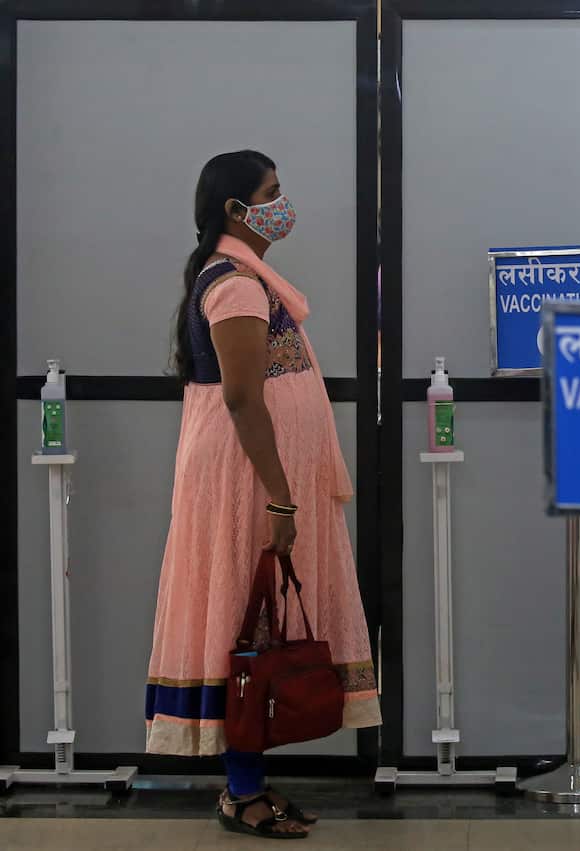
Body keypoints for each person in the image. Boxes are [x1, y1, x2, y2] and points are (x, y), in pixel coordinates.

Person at [145, 151, 380, 839]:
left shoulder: (249, 278)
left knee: (261, 628)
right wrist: (280, 498)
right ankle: (241, 791)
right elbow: (245, 400)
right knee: (245, 630)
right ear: (236, 211)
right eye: (272, 193)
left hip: (259, 477)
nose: (284, 203)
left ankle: (248, 781)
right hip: (250, 482)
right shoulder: (236, 287)